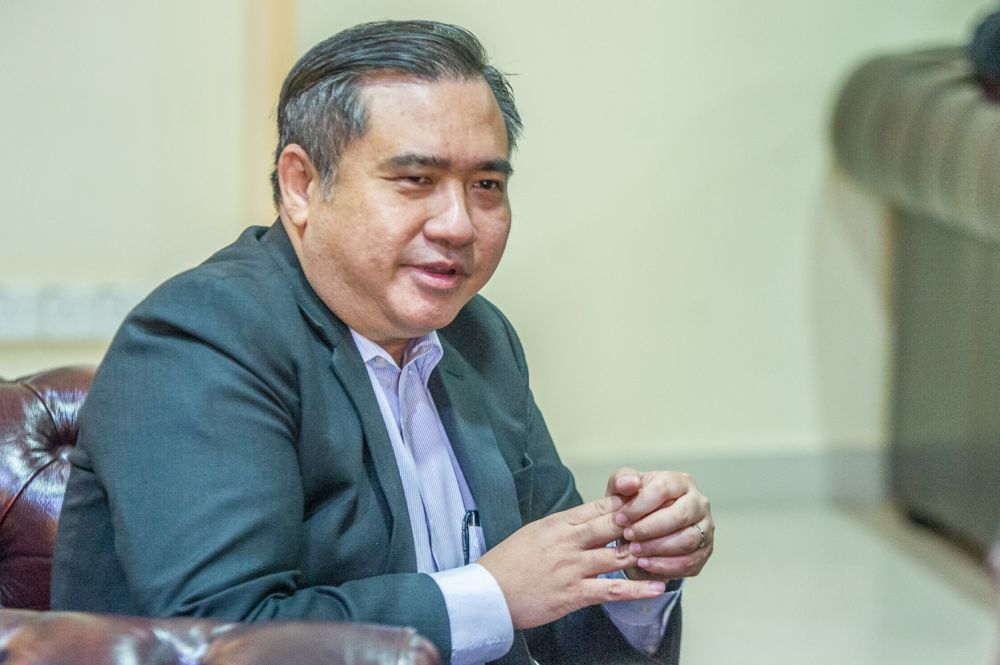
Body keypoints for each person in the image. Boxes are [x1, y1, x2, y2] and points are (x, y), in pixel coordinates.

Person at [51, 20, 714, 665]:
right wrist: (491, 596)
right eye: (415, 180)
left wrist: (636, 569)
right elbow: (222, 635)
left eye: (486, 186)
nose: (458, 225)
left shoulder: (478, 335)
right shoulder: (203, 336)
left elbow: (553, 608)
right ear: (302, 184)